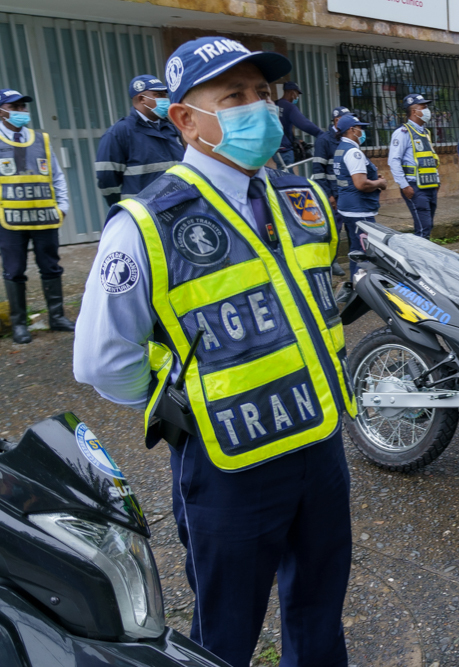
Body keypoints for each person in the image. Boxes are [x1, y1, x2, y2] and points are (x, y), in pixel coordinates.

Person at [72, 36, 355, 667]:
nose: (260, 110)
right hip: (231, 462)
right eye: (235, 98)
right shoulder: (146, 223)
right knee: (225, 627)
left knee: (319, 606)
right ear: (185, 120)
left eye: (264, 94)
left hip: (320, 443)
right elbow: (101, 361)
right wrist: (188, 401)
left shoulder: (295, 197)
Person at [0, 88, 73, 344]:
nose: (21, 111)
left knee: (51, 266)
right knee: (14, 270)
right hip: (9, 221)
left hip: (45, 218)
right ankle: (20, 324)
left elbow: (56, 175)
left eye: (23, 106)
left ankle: (57, 316)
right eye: (14, 107)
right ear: (1, 111)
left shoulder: (40, 138)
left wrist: (62, 207)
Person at [95, 75, 184, 206]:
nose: (165, 99)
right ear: (142, 99)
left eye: (165, 95)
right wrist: (121, 206)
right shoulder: (119, 132)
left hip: (179, 206)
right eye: (158, 95)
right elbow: (107, 178)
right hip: (144, 212)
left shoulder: (172, 129)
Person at [335, 113, 387, 277]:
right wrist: (379, 183)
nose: (362, 131)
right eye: (360, 128)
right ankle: (363, 289)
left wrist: (372, 178)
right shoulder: (353, 152)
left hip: (349, 207)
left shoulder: (340, 149)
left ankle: (356, 284)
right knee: (363, 254)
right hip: (359, 210)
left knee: (356, 251)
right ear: (352, 130)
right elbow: (360, 184)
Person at [388, 93, 440, 239]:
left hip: (430, 185)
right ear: (414, 111)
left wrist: (437, 180)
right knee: (424, 227)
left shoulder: (425, 133)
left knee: (427, 226)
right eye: (423, 107)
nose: (427, 110)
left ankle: (423, 258)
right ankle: (419, 260)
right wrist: (404, 185)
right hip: (414, 186)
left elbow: (430, 160)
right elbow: (394, 160)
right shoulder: (402, 133)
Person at [312, 105, 351, 276]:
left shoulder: (347, 138)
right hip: (334, 193)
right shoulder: (324, 140)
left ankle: (356, 259)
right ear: (336, 120)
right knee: (334, 229)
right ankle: (331, 260)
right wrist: (328, 195)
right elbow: (318, 170)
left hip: (349, 192)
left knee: (352, 228)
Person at [276, 81, 322, 167]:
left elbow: (281, 125)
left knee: (280, 176)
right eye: (297, 94)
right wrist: (321, 134)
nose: (297, 97)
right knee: (288, 178)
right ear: (292, 92)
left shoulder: (275, 104)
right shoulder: (289, 107)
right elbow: (304, 124)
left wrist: (294, 139)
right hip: (285, 151)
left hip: (275, 150)